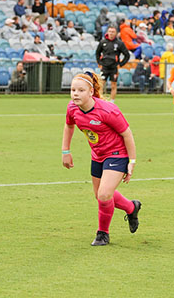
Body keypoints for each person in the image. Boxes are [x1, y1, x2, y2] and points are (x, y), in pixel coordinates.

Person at [61, 71, 141, 246]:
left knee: (104, 195)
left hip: (117, 154)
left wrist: (132, 162)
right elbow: (69, 126)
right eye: (73, 90)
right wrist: (65, 151)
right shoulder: (72, 108)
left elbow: (127, 134)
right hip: (97, 155)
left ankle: (102, 234)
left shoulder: (107, 110)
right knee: (100, 196)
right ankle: (131, 207)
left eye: (81, 90)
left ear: (91, 92)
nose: (75, 94)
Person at [95, 26, 130, 103]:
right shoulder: (102, 42)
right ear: (107, 32)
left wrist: (121, 64)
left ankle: (112, 102)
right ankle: (100, 101)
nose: (111, 33)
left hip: (114, 68)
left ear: (116, 33)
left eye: (113, 32)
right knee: (101, 85)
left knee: (113, 85)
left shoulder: (119, 43)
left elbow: (127, 55)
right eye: (110, 31)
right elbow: (97, 53)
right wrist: (99, 63)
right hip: (104, 67)